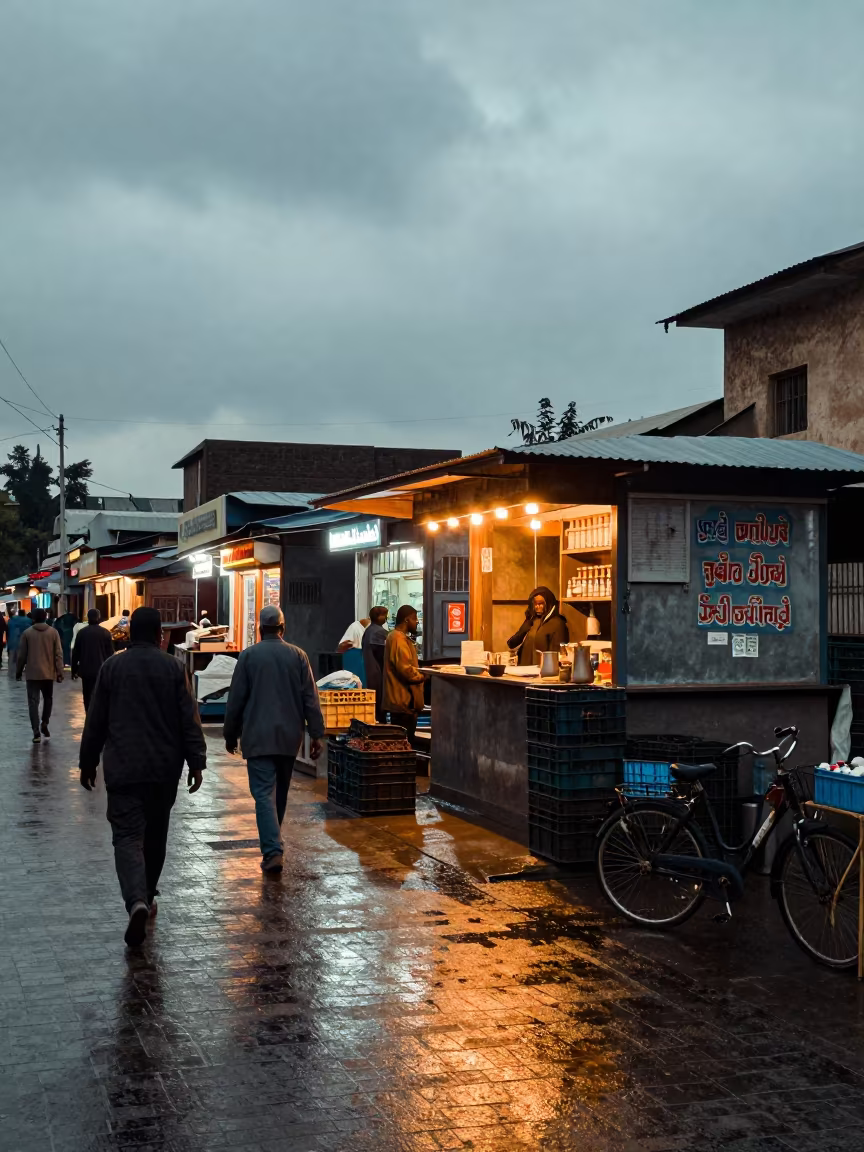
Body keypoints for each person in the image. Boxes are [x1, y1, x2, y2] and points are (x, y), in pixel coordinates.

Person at [79, 607, 206, 948]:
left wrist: (88, 762)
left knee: (126, 837)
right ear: (159, 636)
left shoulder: (112, 667)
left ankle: (136, 899)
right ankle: (147, 897)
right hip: (164, 770)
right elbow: (188, 719)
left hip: (123, 768)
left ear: (130, 634)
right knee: (156, 836)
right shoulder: (174, 668)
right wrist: (197, 762)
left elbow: (96, 721)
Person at [223, 605, 324, 873]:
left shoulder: (248, 656)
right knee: (278, 793)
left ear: (259, 628)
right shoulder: (298, 656)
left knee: (264, 794)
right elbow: (310, 699)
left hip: (258, 736)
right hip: (289, 737)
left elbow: (236, 699)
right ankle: (273, 844)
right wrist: (317, 734)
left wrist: (229, 733)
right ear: (283, 628)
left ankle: (272, 849)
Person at [16, 607, 64, 742]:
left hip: (32, 674)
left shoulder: (27, 634)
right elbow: (58, 654)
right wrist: (59, 672)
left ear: (33, 618)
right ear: (45, 617)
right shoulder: (53, 633)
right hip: (48, 673)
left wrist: (19, 671)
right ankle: (45, 722)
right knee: (48, 699)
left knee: (33, 702)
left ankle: (36, 732)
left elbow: (22, 656)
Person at [382, 604, 426, 741]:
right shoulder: (397, 639)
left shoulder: (398, 637)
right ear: (407, 620)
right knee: (404, 743)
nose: (417, 621)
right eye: (414, 618)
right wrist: (424, 676)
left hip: (404, 703)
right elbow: (405, 669)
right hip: (403, 703)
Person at [507, 586, 569, 666]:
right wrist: (523, 631)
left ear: (548, 603)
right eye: (535, 604)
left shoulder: (557, 624)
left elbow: (558, 655)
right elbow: (511, 644)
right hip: (524, 670)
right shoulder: (531, 620)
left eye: (541, 604)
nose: (537, 607)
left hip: (543, 671)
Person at [71, 608, 115, 711]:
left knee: (87, 695)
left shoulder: (82, 633)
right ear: (98, 617)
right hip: (101, 669)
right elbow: (110, 653)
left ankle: (88, 715)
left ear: (88, 618)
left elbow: (76, 653)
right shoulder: (105, 633)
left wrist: (74, 670)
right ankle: (98, 716)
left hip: (86, 670)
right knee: (100, 695)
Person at [361, 605, 389, 720]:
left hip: (369, 671)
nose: (386, 618)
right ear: (378, 617)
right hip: (377, 672)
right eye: (385, 616)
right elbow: (382, 653)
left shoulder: (368, 630)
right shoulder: (379, 632)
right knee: (379, 703)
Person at [6, 607, 30, 677]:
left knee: (12, 659)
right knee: (22, 659)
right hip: (23, 643)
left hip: (12, 642)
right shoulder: (28, 620)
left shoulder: (11, 620)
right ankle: (20, 672)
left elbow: (7, 631)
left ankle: (11, 673)